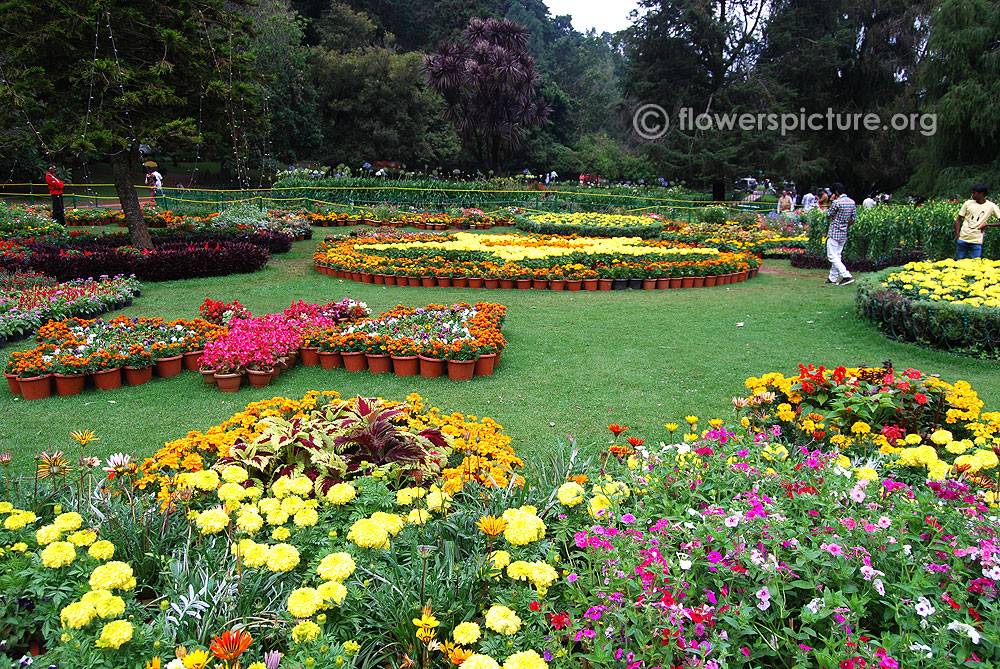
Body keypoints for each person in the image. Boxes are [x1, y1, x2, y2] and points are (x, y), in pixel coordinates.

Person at [954, 183, 1000, 259]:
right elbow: (958, 219)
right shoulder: (967, 203)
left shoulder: (992, 206)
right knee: (959, 264)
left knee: (976, 266)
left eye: (974, 193)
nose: (972, 195)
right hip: (962, 239)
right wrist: (958, 234)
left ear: (981, 194)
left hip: (976, 241)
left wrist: (987, 225)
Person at [825, 183, 856, 286]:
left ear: (836, 192)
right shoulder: (852, 202)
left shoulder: (836, 202)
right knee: (837, 255)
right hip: (844, 232)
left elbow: (829, 215)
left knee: (831, 256)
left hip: (834, 232)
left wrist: (831, 201)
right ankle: (832, 278)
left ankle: (846, 275)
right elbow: (853, 219)